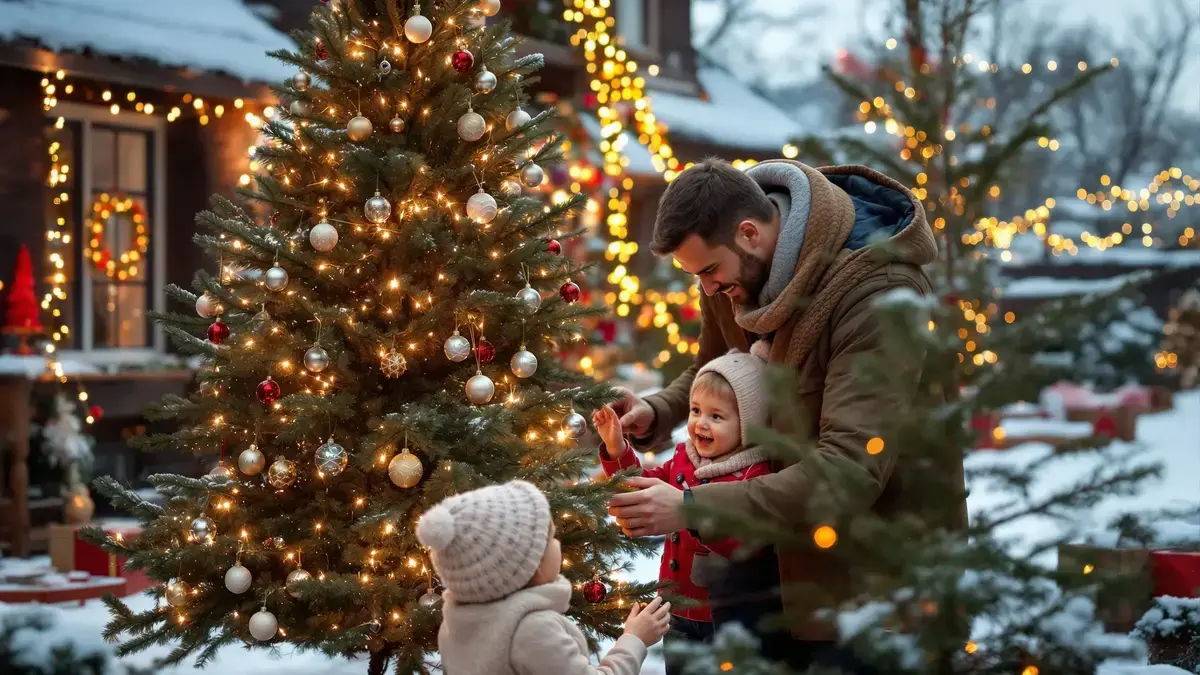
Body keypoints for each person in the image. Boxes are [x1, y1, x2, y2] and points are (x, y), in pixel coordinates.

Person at [606, 158, 967, 671]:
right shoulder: (734, 273)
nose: (706, 289)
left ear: (749, 233)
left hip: (871, 582)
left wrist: (694, 508)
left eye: (709, 271)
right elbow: (719, 367)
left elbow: (850, 469)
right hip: (768, 562)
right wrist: (657, 410)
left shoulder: (880, 293)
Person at [593, 344, 773, 674]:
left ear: (749, 424)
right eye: (695, 410)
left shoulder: (752, 475)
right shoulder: (683, 459)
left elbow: (748, 543)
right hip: (676, 612)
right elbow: (641, 487)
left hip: (725, 617)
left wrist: (694, 514)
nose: (700, 423)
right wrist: (617, 447)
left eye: (716, 416)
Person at [417, 480, 672, 675]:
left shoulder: (457, 619)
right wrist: (634, 640)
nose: (558, 543)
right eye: (550, 539)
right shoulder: (531, 630)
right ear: (530, 566)